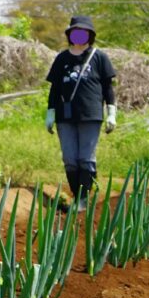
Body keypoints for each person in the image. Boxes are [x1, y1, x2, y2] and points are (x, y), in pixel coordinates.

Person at [44, 15, 117, 212]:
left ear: (89, 35)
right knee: (69, 158)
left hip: (90, 114)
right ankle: (78, 196)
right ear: (70, 35)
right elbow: (54, 88)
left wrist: (111, 112)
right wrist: (50, 113)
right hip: (65, 115)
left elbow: (108, 87)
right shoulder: (62, 58)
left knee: (85, 157)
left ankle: (83, 200)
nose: (79, 36)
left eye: (83, 32)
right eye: (75, 32)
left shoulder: (99, 57)